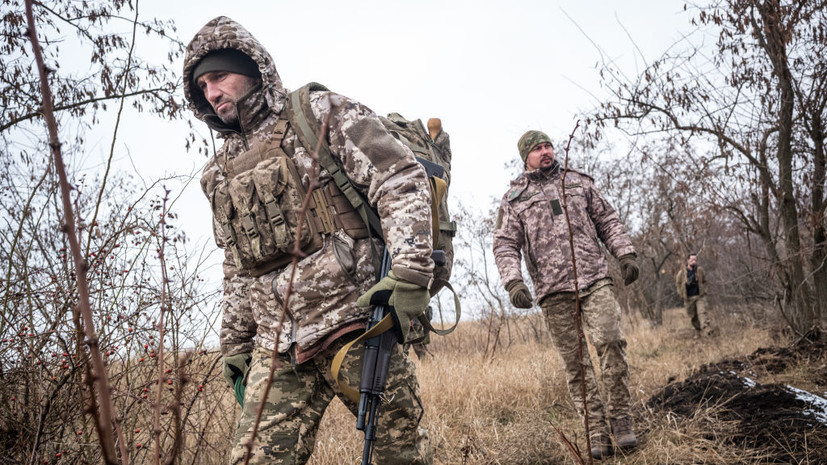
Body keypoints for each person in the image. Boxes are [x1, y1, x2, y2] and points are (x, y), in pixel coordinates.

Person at [183, 17, 434, 464]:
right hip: (277, 347)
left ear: (253, 68)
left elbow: (398, 178)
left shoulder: (318, 113)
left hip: (356, 321)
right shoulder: (217, 172)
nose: (212, 92)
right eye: (203, 86)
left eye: (219, 76)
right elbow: (238, 264)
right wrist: (236, 343)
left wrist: (411, 272)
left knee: (399, 455)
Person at [492, 130, 640, 460]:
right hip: (553, 290)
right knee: (577, 364)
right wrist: (514, 282)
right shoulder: (514, 198)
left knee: (611, 342)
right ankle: (596, 429)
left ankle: (621, 420)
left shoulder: (578, 182)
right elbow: (505, 244)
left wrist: (625, 254)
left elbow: (607, 220)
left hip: (594, 278)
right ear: (525, 157)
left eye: (548, 146)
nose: (545, 151)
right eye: (537, 149)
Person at [675, 253, 713, 338]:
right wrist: (681, 293)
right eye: (692, 260)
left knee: (702, 312)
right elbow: (678, 283)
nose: (694, 261)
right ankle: (697, 331)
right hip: (689, 298)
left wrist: (704, 291)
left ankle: (706, 328)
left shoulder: (699, 270)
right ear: (688, 260)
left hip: (699, 296)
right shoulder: (682, 273)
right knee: (693, 316)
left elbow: (705, 281)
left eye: (695, 260)